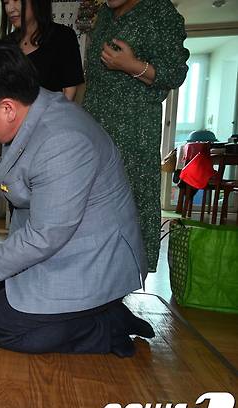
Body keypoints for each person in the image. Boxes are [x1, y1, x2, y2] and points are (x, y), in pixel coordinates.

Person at [0, 39, 154, 358]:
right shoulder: (33, 111)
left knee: (0, 325)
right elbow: (12, 167)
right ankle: (101, 313)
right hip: (66, 246)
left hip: (89, 257)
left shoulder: (63, 140)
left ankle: (107, 328)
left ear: (6, 108)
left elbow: (46, 235)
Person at [82, 0, 189, 272]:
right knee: (91, 202)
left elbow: (175, 73)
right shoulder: (105, 15)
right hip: (95, 124)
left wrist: (132, 65)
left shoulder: (159, 11)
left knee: (128, 201)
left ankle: (123, 278)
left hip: (134, 127)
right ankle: (90, 277)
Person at [0, 0, 84, 100]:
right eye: (6, 3)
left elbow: (69, 91)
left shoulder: (62, 36)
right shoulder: (5, 45)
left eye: (16, 0)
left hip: (55, 114)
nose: (10, 9)